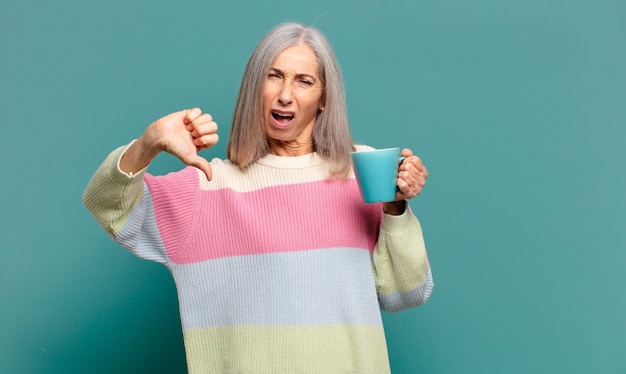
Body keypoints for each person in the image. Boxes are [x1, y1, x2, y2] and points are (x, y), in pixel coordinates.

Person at [83, 22, 433, 374]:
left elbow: (406, 292)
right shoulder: (208, 188)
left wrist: (395, 207)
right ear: (255, 87)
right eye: (273, 76)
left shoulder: (362, 173)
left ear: (324, 97)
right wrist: (150, 142)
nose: (285, 94)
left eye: (304, 80)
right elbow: (108, 204)